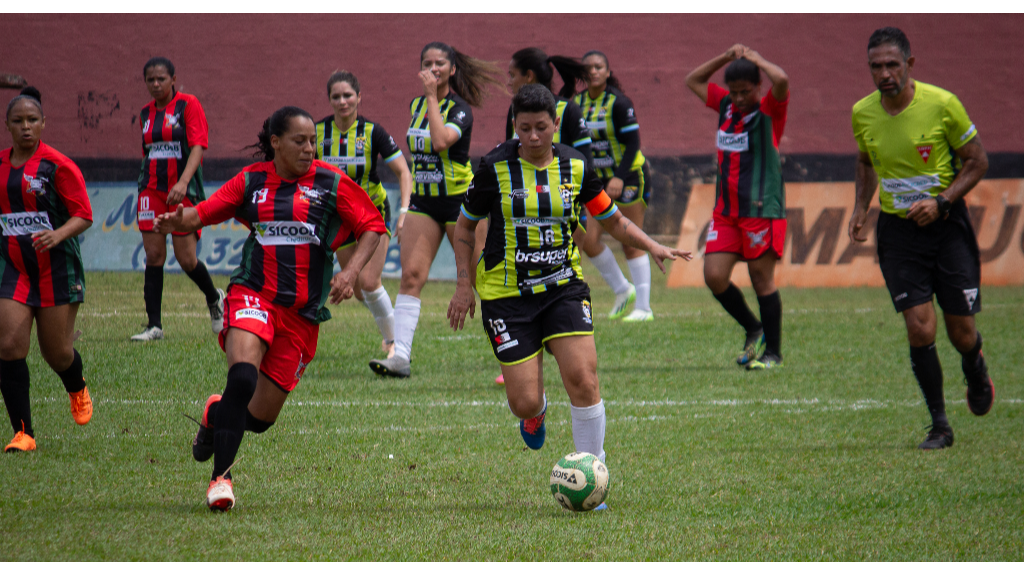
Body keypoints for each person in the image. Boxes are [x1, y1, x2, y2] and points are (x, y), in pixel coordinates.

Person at [448, 86, 689, 499]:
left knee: (584, 379)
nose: (534, 136)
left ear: (555, 125)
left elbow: (611, 220)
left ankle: (593, 478)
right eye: (525, 128)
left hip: (563, 286)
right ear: (515, 126)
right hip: (506, 294)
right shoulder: (492, 167)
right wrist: (463, 284)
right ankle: (535, 413)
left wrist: (651, 245)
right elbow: (465, 226)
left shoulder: (576, 166)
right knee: (523, 401)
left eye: (542, 127)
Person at [155, 106, 385, 510]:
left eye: (313, 141)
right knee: (241, 379)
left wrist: (350, 272)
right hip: (254, 294)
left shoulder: (331, 183)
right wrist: (178, 220)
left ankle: (214, 414)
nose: (310, 149)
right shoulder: (252, 181)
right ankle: (220, 481)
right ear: (275, 142)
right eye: (300, 141)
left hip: (301, 315)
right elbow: (205, 213)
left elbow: (372, 225)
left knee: (259, 419)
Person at [849, 27, 993, 450]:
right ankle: (940, 425)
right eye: (876, 66)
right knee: (919, 328)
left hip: (948, 229)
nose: (884, 74)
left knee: (962, 333)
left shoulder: (943, 105)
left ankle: (975, 368)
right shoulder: (863, 113)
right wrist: (861, 206)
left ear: (910, 65)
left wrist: (943, 202)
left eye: (892, 65)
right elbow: (864, 160)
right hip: (898, 233)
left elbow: (977, 161)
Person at [369, 41, 502, 378]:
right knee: (411, 276)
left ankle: (511, 358)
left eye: (440, 63)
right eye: (426, 63)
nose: (432, 68)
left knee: (482, 282)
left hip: (461, 202)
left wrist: (431, 96)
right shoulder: (416, 104)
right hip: (425, 202)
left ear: (452, 69)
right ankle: (400, 357)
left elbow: (441, 141)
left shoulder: (460, 109)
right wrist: (407, 205)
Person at [684, 45, 790, 370]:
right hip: (726, 212)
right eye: (735, 91)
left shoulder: (771, 110)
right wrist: (726, 59)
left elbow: (782, 79)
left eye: (746, 91)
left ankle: (773, 353)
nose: (740, 98)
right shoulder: (726, 105)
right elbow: (693, 80)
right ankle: (753, 327)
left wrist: (757, 59)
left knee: (761, 278)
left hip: (760, 209)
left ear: (759, 87)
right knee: (714, 276)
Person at [1, 88, 93, 452]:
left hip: (56, 269)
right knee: (9, 346)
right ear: (7, 125)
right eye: (19, 121)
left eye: (33, 120)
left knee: (56, 353)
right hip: (14, 268)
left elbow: (84, 215)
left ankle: (76, 385)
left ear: (43, 124)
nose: (26, 127)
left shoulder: (57, 166)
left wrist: (57, 235)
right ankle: (24, 432)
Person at [315, 70, 413, 360]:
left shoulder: (373, 132)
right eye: (336, 96)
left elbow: (403, 172)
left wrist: (405, 210)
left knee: (369, 281)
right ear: (330, 100)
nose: (343, 101)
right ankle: (392, 334)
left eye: (348, 95)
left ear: (359, 97)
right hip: (339, 216)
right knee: (358, 289)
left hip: (372, 213)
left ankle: (397, 344)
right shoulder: (317, 132)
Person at [132, 57, 224, 342]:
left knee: (186, 259)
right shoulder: (145, 114)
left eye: (161, 78)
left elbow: (198, 146)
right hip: (151, 189)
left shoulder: (188, 105)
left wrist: (183, 182)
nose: (156, 84)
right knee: (154, 255)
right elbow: (149, 152)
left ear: (174, 79)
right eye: (151, 80)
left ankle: (214, 298)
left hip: (182, 190)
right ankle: (154, 326)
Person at [574, 51, 654, 322]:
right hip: (598, 182)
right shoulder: (578, 103)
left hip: (629, 176)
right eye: (588, 68)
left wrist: (619, 177)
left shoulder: (619, 103)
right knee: (588, 238)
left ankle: (644, 308)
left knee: (631, 241)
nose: (594, 71)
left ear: (608, 72)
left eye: (599, 67)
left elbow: (633, 144)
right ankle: (623, 289)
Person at [505, 48, 591, 161]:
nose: (509, 82)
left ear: (529, 76)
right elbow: (508, 154)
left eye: (512, 75)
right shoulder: (515, 109)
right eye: (525, 129)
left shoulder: (569, 110)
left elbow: (586, 162)